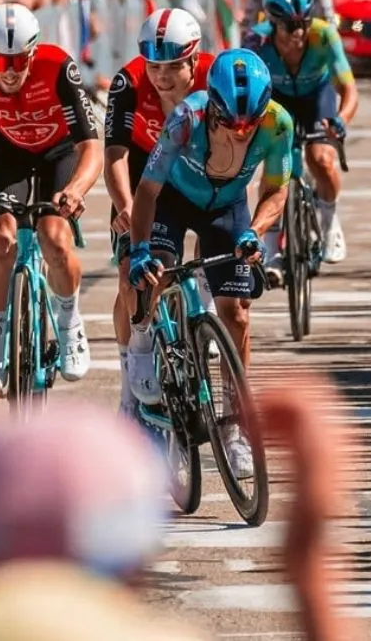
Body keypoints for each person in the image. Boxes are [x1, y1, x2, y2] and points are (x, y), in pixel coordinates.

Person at [124, 48, 295, 478]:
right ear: (212, 104)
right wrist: (140, 247)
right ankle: (143, 337)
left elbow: (276, 189)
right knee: (155, 271)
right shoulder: (186, 117)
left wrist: (255, 231)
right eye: (230, 120)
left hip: (227, 207)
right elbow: (146, 192)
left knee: (236, 313)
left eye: (248, 122)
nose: (240, 131)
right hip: (173, 201)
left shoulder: (278, 123)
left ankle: (234, 429)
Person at [0, 3, 102, 399]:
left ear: (33, 53)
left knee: (53, 236)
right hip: (9, 151)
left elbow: (91, 148)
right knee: (2, 240)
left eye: (19, 60)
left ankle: (70, 326)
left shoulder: (58, 67)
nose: (11, 70)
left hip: (60, 152)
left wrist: (76, 191)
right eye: (1, 60)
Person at [105, 7, 216, 420]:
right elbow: (114, 153)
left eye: (171, 67)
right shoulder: (128, 82)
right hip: (142, 172)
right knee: (130, 272)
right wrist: (125, 206)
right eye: (154, 66)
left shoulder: (215, 76)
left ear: (193, 58)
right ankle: (132, 370)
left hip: (199, 172)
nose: (161, 77)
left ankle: (200, 316)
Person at [244, 0, 357, 280]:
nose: (298, 33)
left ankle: (330, 221)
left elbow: (348, 88)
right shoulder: (256, 41)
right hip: (277, 102)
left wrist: (341, 120)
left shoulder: (324, 34)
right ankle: (273, 250)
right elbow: (245, 90)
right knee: (275, 172)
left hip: (316, 99)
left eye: (303, 24)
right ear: (271, 22)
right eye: (289, 26)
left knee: (321, 158)